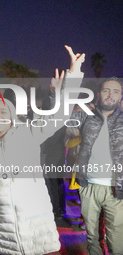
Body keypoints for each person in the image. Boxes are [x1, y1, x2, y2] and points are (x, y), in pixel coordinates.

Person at [0, 46, 85, 255]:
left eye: (3, 111)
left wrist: (73, 75)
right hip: (5, 232)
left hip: (37, 229)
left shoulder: (29, 133)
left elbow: (61, 114)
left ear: (11, 116)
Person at [69, 76, 123, 254]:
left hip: (116, 189)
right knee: (92, 237)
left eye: (116, 91)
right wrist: (59, 92)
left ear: (121, 97)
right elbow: (63, 116)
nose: (110, 95)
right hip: (88, 186)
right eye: (106, 90)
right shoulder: (86, 115)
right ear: (99, 94)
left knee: (117, 240)